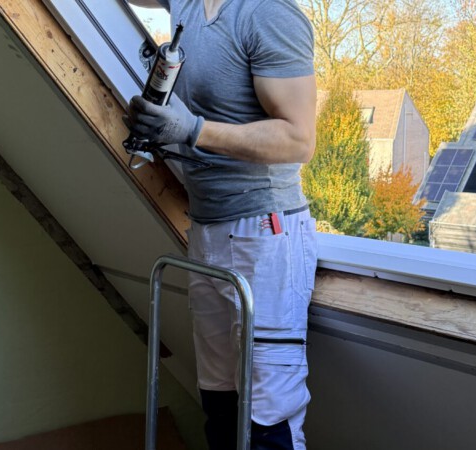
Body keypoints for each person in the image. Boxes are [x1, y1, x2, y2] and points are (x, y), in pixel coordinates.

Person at [125, 0, 318, 449]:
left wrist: (193, 130)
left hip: (263, 236)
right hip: (207, 229)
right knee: (220, 405)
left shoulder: (267, 14)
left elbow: (299, 139)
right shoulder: (187, 4)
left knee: (267, 419)